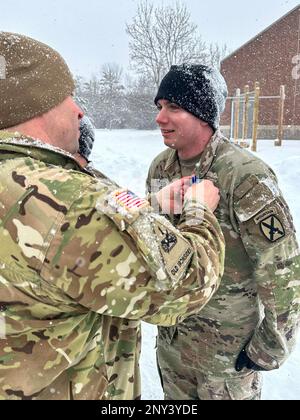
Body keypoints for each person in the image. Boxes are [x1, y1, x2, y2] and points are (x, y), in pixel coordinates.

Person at [0, 33, 224, 400]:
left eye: (174, 107)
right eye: (65, 97)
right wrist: (200, 210)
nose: (79, 110)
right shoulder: (67, 197)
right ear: (31, 105)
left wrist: (148, 207)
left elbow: (59, 244)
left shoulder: (25, 183)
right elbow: (188, 285)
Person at [146, 64, 300, 400]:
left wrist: (270, 347)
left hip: (227, 354)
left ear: (204, 116)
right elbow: (155, 242)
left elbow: (282, 269)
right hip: (173, 346)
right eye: (159, 107)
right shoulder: (162, 168)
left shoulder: (244, 176)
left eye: (173, 107)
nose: (160, 118)